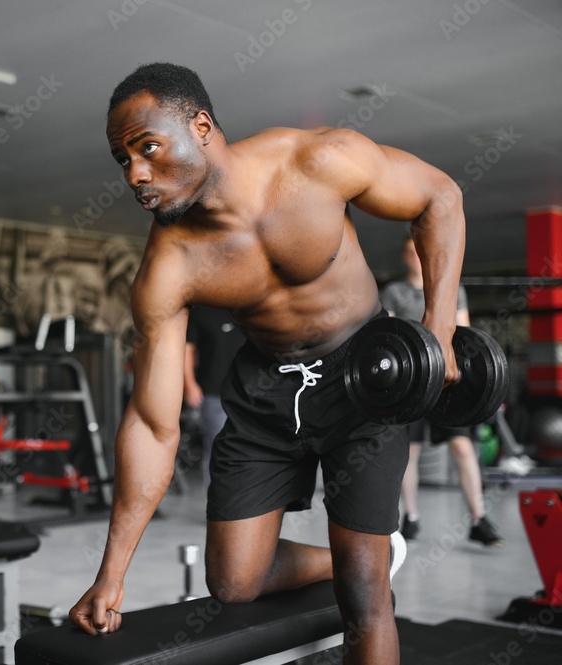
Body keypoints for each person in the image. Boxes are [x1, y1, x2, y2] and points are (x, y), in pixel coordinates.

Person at [69, 63, 466, 665]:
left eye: (146, 148)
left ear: (201, 126)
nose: (135, 175)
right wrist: (111, 574)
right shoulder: (168, 269)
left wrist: (436, 335)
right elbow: (153, 423)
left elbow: (440, 197)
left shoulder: (317, 162)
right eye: (122, 161)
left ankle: (368, 561)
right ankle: (370, 551)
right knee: (232, 583)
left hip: (364, 378)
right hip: (265, 392)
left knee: (365, 596)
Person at [380, 237, 503, 546]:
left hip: (449, 382)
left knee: (462, 447)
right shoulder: (394, 292)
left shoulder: (451, 289)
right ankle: (411, 517)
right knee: (411, 452)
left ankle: (478, 519)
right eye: (410, 251)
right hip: (413, 386)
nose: (416, 256)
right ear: (405, 257)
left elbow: (465, 337)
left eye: (420, 250)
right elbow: (392, 337)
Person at [182, 305, 245, 489]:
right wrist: (190, 384)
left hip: (250, 392)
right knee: (219, 447)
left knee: (249, 449)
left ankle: (244, 506)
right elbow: (188, 350)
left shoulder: (248, 307)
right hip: (212, 392)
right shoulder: (201, 311)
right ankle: (218, 507)